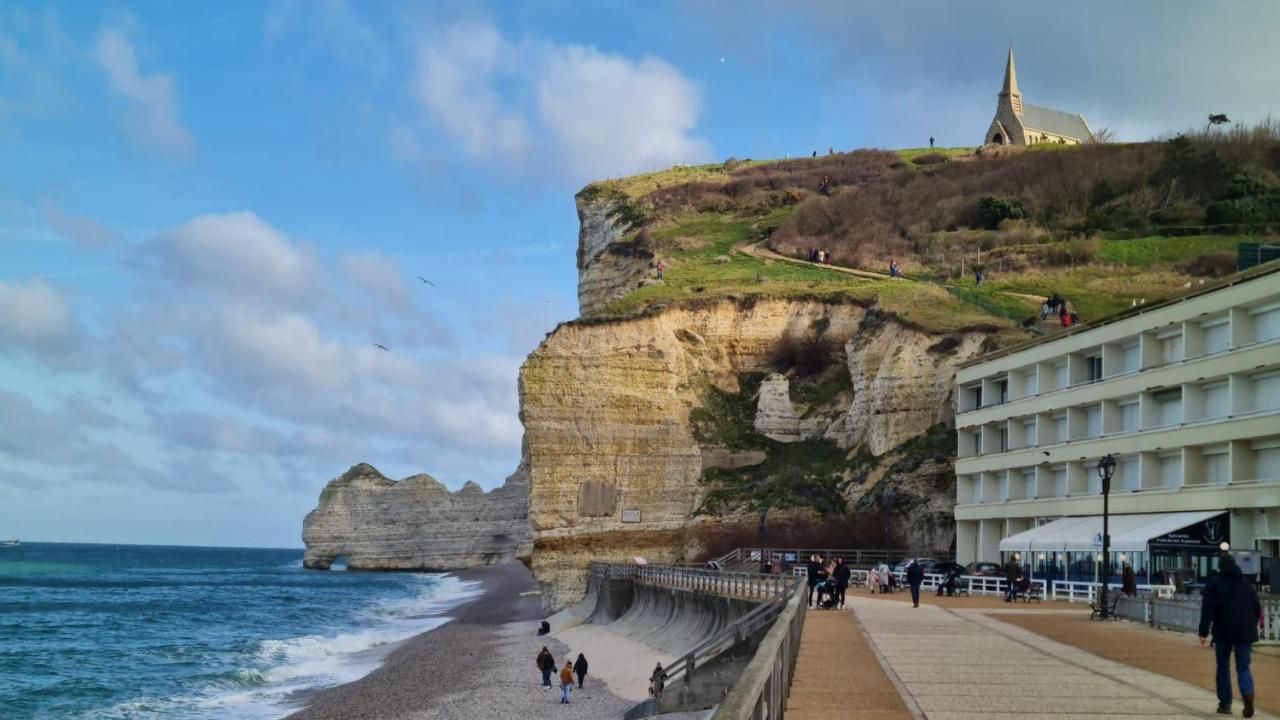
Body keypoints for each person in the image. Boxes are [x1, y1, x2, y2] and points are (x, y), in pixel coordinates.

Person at [1199, 552, 1261, 717]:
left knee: (1223, 667)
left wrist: (1203, 631)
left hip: (1223, 630)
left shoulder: (1215, 583)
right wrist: (1250, 625)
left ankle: (1225, 704)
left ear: (1220, 566)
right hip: (1245, 631)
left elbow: (1208, 609)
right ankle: (1247, 694)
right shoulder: (1246, 583)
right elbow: (1257, 608)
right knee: (1243, 667)